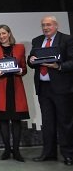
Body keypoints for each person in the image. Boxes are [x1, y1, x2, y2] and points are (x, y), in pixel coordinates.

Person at [27, 15, 73, 166]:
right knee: (47, 122)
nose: (45, 28)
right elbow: (31, 60)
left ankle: (68, 154)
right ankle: (48, 153)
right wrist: (31, 61)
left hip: (62, 88)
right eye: (43, 25)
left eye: (48, 25)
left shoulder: (67, 39)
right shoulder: (37, 40)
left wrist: (59, 66)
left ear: (56, 25)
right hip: (43, 87)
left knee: (65, 123)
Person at [0, 24, 29, 162]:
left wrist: (20, 71)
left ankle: (16, 151)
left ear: (9, 33)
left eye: (4, 33)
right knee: (3, 120)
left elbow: (24, 67)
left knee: (16, 120)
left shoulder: (20, 48)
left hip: (15, 87)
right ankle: (6, 150)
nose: (1, 36)